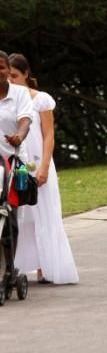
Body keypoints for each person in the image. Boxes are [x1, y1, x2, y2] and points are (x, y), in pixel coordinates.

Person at [9, 53, 79, 285]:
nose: (10, 81)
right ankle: (19, 265)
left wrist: (45, 166)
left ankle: (47, 265)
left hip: (39, 159)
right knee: (21, 216)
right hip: (16, 162)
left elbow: (48, 135)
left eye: (14, 76)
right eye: (7, 76)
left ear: (26, 74)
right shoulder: (9, 101)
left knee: (45, 213)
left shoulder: (40, 100)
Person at [0, 50, 33, 264]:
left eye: (1, 67)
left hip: (12, 162)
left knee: (9, 214)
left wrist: (19, 136)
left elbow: (25, 120)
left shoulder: (20, 93)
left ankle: (10, 267)